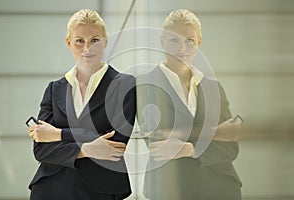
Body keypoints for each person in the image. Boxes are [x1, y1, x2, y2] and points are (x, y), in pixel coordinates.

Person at [27, 9, 136, 200]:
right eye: (80, 41)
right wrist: (85, 149)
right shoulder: (54, 89)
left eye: (94, 40)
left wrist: (59, 134)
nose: (87, 48)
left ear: (105, 42)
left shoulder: (124, 84)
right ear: (69, 43)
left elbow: (115, 144)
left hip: (101, 188)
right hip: (50, 187)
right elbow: (41, 149)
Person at [137, 9, 242, 199]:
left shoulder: (213, 88)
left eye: (189, 40)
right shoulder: (145, 85)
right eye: (174, 40)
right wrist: (214, 132)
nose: (182, 48)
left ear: (199, 43)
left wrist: (190, 149)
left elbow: (230, 147)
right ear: (162, 42)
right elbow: (160, 142)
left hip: (221, 188)